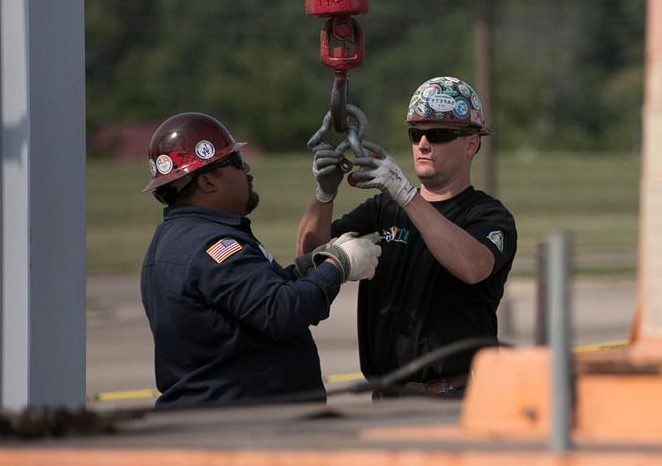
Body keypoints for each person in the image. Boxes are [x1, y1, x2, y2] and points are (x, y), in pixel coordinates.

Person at [140, 112, 381, 408]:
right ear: (207, 182)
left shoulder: (177, 239)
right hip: (238, 429)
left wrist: (306, 270)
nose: (248, 169)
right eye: (237, 162)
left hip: (224, 421)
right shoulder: (214, 245)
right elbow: (281, 311)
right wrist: (338, 265)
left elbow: (253, 301)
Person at [298, 76, 517, 396]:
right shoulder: (384, 209)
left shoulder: (488, 216)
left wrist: (405, 194)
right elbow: (309, 255)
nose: (424, 144)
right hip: (386, 396)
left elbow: (474, 267)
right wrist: (324, 196)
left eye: (439, 134)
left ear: (472, 143)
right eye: (416, 133)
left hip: (452, 397)